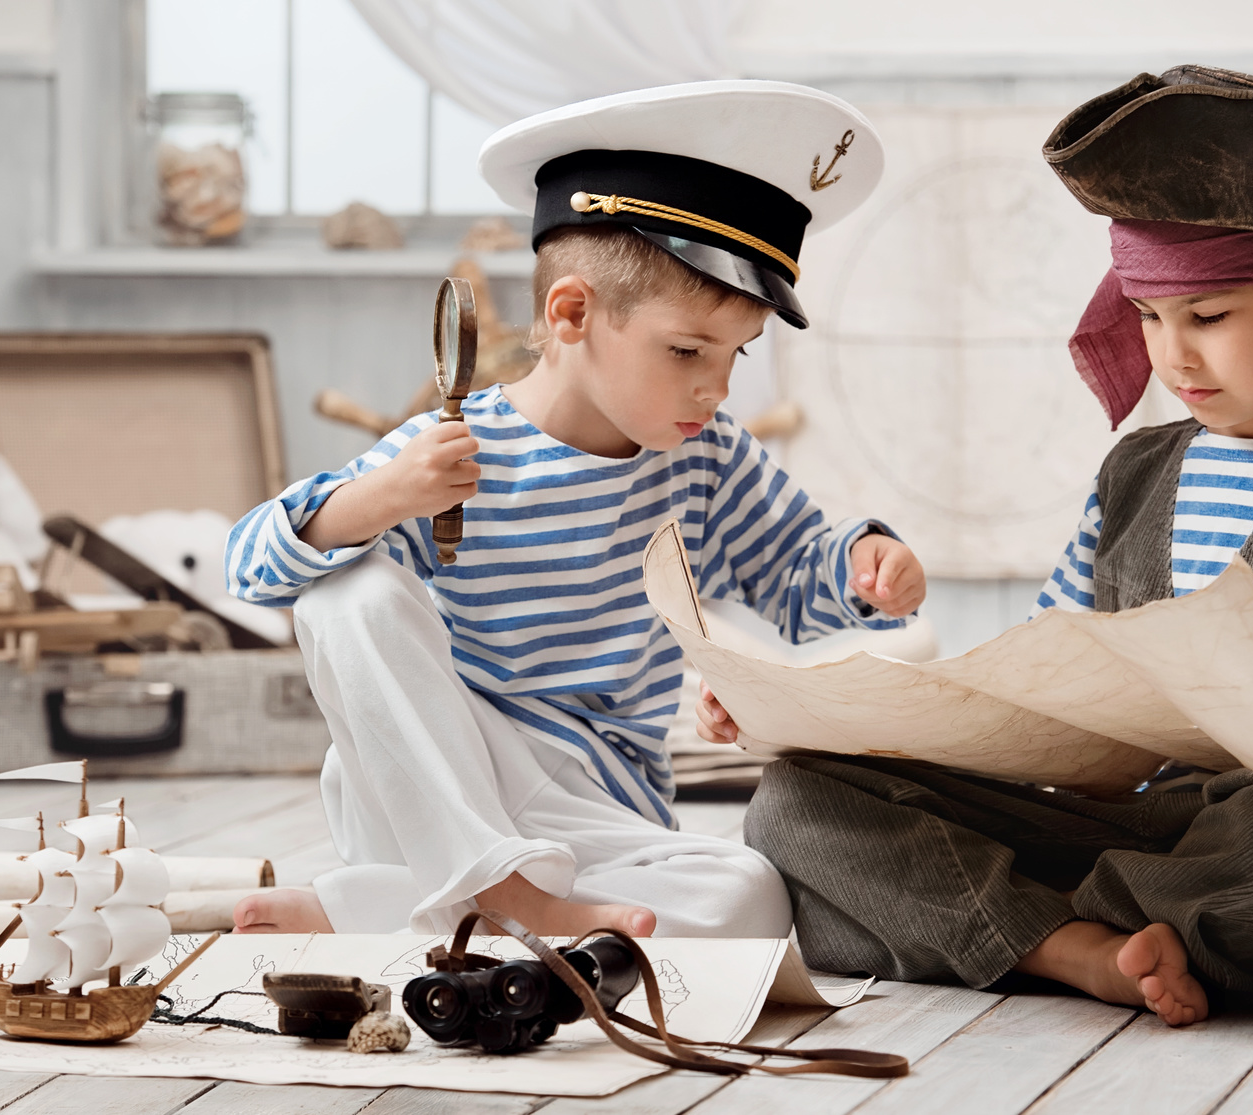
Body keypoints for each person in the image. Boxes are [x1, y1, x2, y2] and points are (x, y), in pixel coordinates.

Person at [734, 65, 1253, 1025]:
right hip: (1118, 819)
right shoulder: (1133, 471)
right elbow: (1043, 673)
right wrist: (834, 710)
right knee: (793, 803)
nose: (1173, 356)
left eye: (1208, 317)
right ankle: (1084, 950)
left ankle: (1007, 923)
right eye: (1148, 317)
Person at [224, 81, 926, 940]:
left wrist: (867, 562)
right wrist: (380, 498)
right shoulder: (452, 447)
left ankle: (379, 910)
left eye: (735, 355)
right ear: (571, 314)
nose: (715, 386)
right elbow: (249, 567)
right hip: (446, 785)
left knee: (750, 893)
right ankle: (505, 892)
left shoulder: (705, 456)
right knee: (347, 592)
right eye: (686, 351)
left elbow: (796, 577)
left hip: (598, 814)